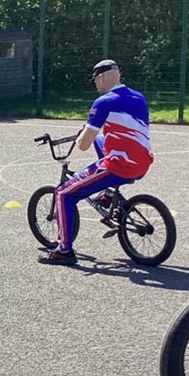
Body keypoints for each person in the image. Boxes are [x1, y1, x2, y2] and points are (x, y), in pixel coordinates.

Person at [40, 59, 154, 266]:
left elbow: (83, 144)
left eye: (95, 82)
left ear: (101, 78)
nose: (96, 86)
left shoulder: (103, 103)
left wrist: (81, 136)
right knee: (101, 140)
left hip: (119, 166)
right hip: (143, 162)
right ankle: (109, 194)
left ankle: (64, 250)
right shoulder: (139, 97)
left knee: (63, 193)